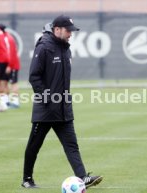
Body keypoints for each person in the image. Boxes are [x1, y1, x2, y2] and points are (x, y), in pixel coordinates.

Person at [22, 15, 103, 189]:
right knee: (34, 145)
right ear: (57, 29)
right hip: (46, 109)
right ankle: (27, 179)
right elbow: (34, 77)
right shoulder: (43, 47)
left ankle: (82, 177)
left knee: (72, 145)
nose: (70, 35)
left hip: (64, 108)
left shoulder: (66, 49)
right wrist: (47, 98)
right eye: (68, 31)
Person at [0, 24, 21, 108]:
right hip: (7, 64)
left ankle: (16, 102)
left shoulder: (8, 39)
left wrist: (10, 65)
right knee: (4, 82)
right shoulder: (3, 37)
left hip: (12, 65)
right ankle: (6, 102)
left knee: (13, 83)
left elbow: (11, 53)